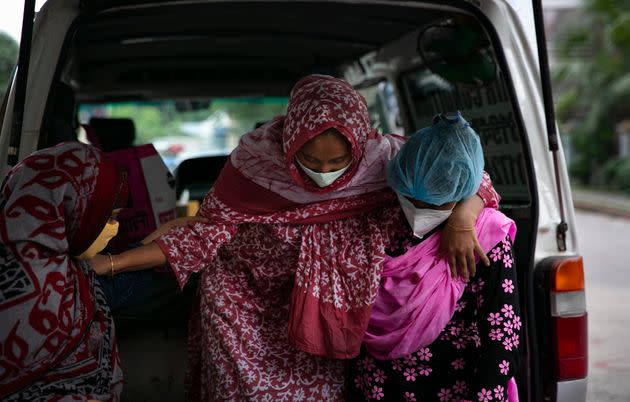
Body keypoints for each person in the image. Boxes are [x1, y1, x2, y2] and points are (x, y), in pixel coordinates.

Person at [90, 75, 500, 401]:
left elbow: (467, 175)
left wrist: (464, 218)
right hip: (242, 308)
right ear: (290, 143)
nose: (325, 172)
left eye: (339, 161)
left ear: (359, 143)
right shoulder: (253, 167)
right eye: (310, 160)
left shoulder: (386, 160)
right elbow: (200, 234)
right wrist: (110, 265)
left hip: (321, 310)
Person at [348, 113, 520, 402]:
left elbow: (502, 328)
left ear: (464, 190)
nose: (418, 211)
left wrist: (487, 394)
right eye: (410, 199)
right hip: (378, 384)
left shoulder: (486, 235)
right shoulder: (382, 220)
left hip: (455, 385)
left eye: (436, 203)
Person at [0, 142, 128, 401]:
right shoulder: (30, 285)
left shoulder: (74, 270)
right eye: (107, 217)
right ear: (70, 210)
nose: (115, 227)